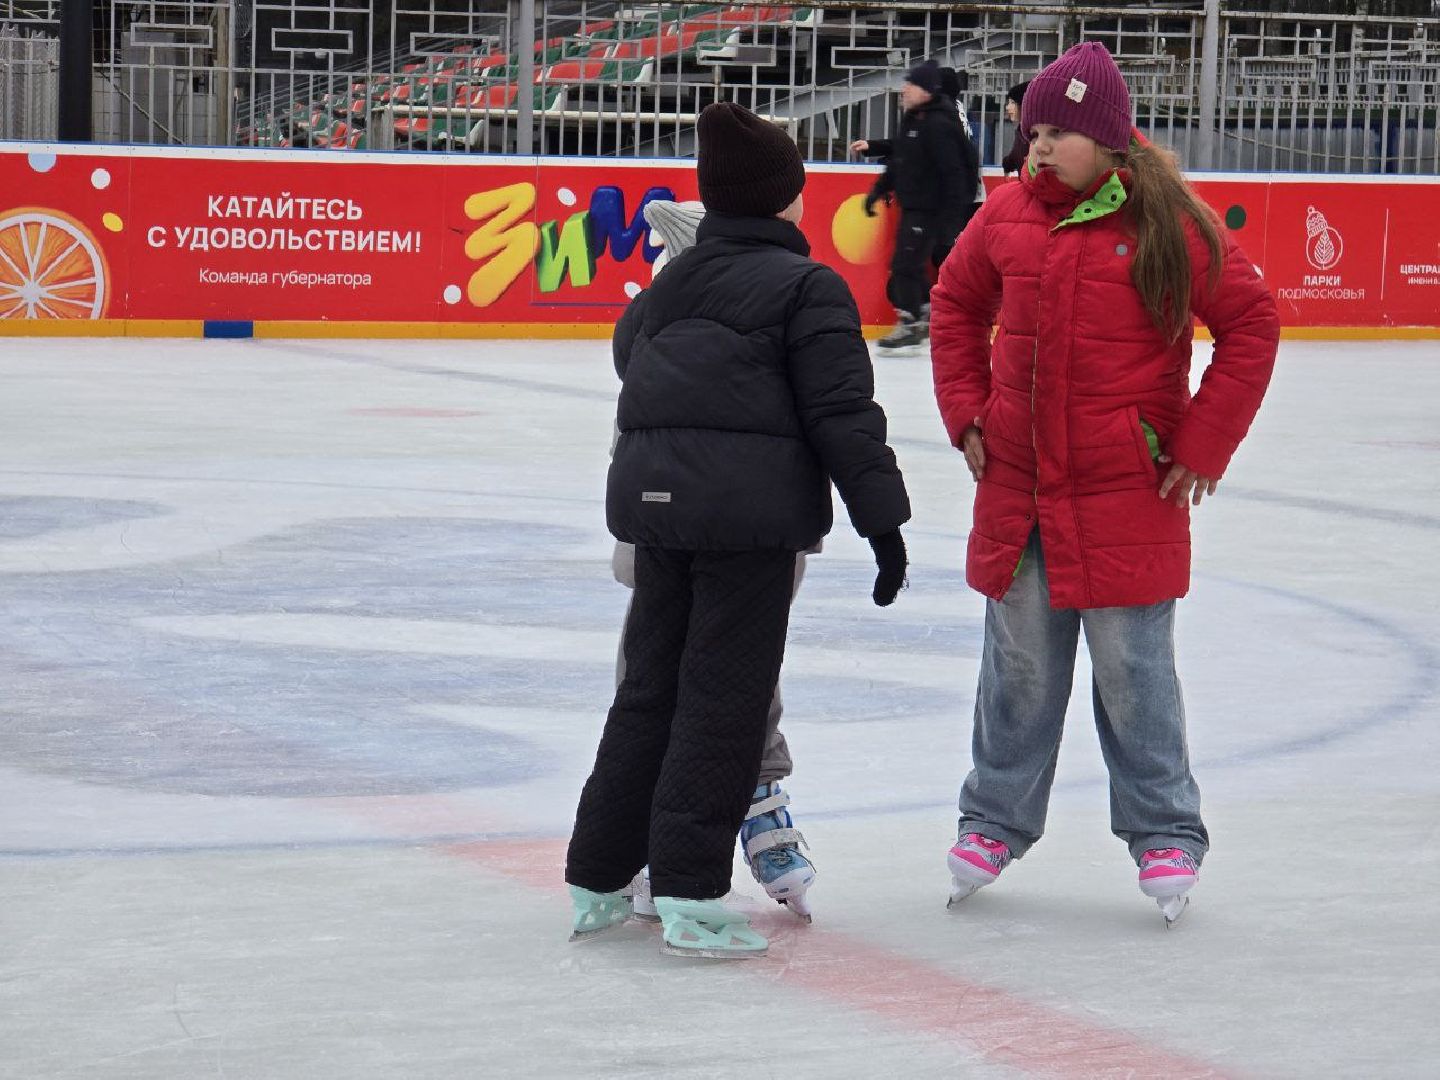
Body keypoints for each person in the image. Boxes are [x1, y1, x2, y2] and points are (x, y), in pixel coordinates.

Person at [928, 42, 1279, 925]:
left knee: (1134, 672)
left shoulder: (1170, 224)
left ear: (1111, 141)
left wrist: (1201, 443)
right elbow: (956, 307)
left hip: (1130, 492)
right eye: (1033, 129)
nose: (1040, 147)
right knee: (1017, 670)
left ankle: (1165, 830)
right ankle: (994, 820)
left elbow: (1251, 322)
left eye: (1061, 132)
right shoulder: (1004, 213)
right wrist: (967, 410)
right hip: (1018, 489)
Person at [565, 102, 912, 959]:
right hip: (747, 531)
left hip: (656, 519)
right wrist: (884, 523)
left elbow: (632, 362)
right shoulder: (808, 287)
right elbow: (842, 414)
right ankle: (690, 894)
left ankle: (599, 878)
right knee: (722, 705)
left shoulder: (668, 286)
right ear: (786, 203)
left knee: (646, 694)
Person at [611, 198, 819, 925]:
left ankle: (758, 791)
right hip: (668, 536)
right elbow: (635, 439)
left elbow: (817, 414)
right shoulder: (661, 319)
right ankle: (643, 827)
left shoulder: (785, 303)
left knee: (734, 677)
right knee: (653, 681)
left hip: (755, 534)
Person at [849, 59, 975, 356]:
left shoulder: (940, 124)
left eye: (912, 84)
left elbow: (955, 173)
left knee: (906, 264)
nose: (904, 89)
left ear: (927, 90)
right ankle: (924, 316)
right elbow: (901, 162)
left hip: (930, 209)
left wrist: (951, 219)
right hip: (915, 207)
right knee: (908, 264)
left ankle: (914, 320)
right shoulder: (914, 120)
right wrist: (877, 192)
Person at [934, 65, 985, 269]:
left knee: (945, 250)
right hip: (972, 188)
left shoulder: (943, 110)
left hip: (956, 190)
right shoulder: (957, 106)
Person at [1000, 82, 1030, 175]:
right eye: (1008, 103)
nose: (1008, 108)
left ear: (1024, 105)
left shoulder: (1034, 133)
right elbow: (1016, 154)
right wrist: (1008, 163)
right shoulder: (1021, 129)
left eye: (1012, 103)